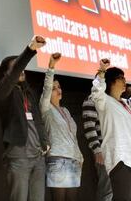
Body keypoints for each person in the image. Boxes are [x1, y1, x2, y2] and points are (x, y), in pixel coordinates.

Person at [0, 35, 49, 201]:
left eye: (23, 68)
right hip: (19, 157)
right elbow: (13, 75)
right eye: (17, 68)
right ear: (7, 74)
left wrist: (44, 141)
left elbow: (38, 119)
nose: (22, 70)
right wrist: (29, 50)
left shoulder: (28, 93)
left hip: (38, 156)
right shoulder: (2, 92)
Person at [89, 59, 131, 201]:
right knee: (123, 198)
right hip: (120, 157)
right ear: (111, 81)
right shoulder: (104, 101)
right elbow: (96, 91)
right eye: (120, 78)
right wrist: (102, 71)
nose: (124, 80)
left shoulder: (125, 102)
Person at [39, 53, 83, 201]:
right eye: (54, 87)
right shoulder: (46, 108)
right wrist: (51, 67)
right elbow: (46, 90)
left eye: (59, 87)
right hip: (57, 159)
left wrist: (80, 156)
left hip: (73, 159)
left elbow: (73, 136)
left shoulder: (66, 111)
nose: (58, 90)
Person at [82, 91, 113, 201]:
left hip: (117, 150)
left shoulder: (112, 99)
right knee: (107, 190)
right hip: (104, 150)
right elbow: (89, 126)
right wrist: (97, 150)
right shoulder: (92, 99)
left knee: (116, 188)